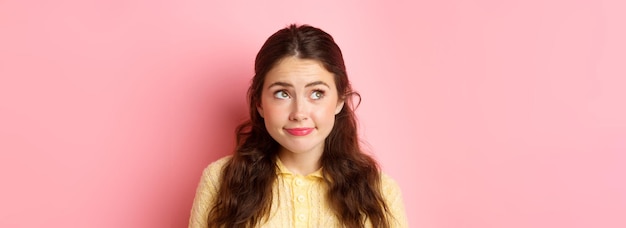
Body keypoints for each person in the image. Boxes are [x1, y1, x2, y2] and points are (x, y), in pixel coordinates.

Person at [188, 24, 408, 228]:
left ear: (340, 101)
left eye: (317, 93)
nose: (299, 113)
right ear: (259, 104)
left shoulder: (381, 192)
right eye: (282, 94)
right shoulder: (220, 180)